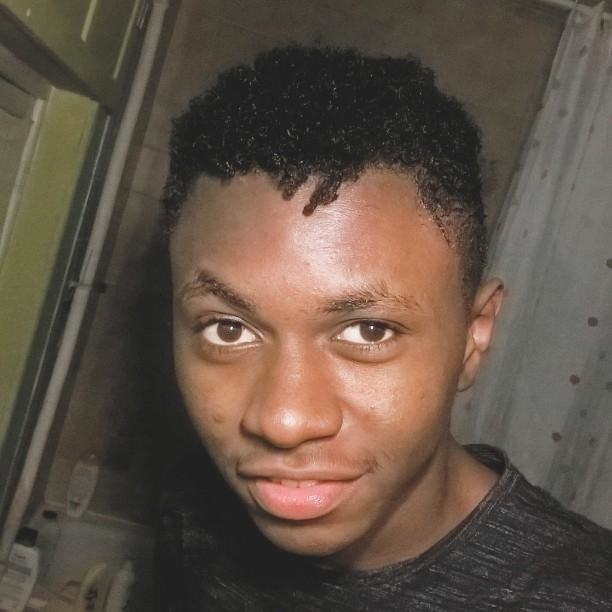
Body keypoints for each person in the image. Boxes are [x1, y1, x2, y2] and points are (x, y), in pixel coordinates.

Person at [156, 45, 612, 610]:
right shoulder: (195, 513)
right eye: (227, 329)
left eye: (368, 331)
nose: (284, 422)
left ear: (473, 336)